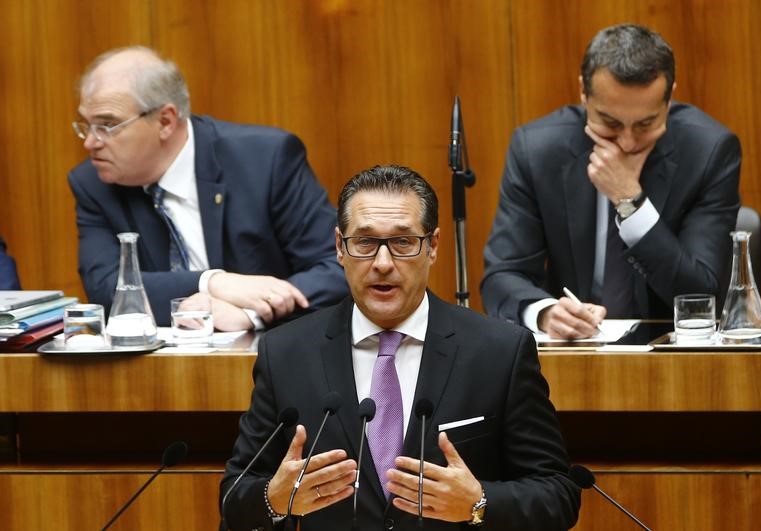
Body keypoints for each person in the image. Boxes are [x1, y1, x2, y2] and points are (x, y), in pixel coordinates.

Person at [220, 165, 580, 530]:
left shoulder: (499, 352)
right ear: (339, 248)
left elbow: (558, 494)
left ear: (433, 246)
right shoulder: (286, 354)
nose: (382, 264)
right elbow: (235, 497)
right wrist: (273, 500)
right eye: (364, 242)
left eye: (403, 243)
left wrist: (479, 503)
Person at [482, 23, 741, 339]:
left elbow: (703, 295)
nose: (628, 142)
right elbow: (502, 275)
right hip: (572, 357)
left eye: (646, 123)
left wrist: (630, 201)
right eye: (610, 122)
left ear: (670, 99)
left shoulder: (708, 152)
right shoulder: (536, 151)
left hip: (673, 358)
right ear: (583, 92)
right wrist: (546, 312)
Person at [67, 46, 348, 328]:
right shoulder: (94, 183)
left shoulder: (265, 160)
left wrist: (251, 314)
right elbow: (106, 289)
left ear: (165, 121)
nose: (90, 142)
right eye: (86, 125)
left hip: (272, 357)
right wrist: (212, 282)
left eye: (107, 125)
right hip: (158, 366)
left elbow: (340, 265)